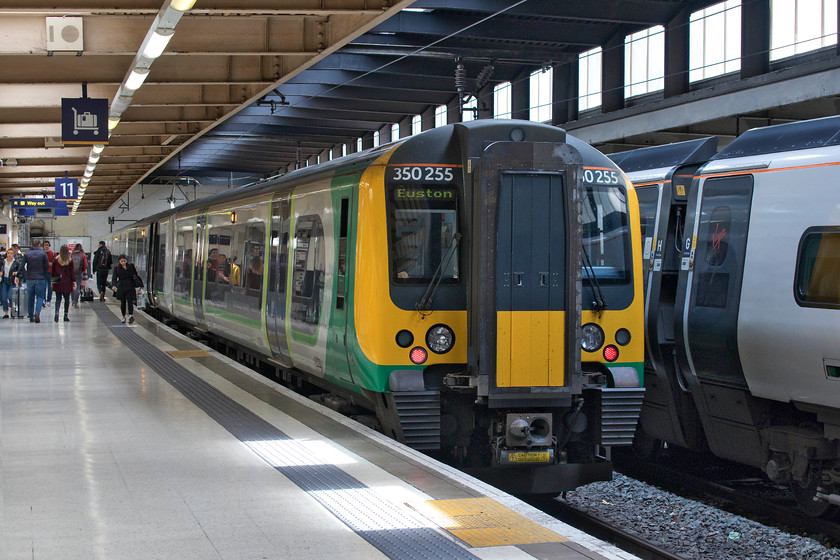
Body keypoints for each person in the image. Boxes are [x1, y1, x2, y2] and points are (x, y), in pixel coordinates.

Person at [19, 239, 50, 323]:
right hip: (40, 278)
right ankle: (37, 312)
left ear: (31, 244)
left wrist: (18, 275)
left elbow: (22, 266)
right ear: (39, 245)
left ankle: (31, 315)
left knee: (30, 297)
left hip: (30, 278)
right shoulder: (43, 254)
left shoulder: (27, 254)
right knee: (40, 296)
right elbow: (47, 265)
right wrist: (43, 272)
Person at [108, 254, 142, 324]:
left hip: (130, 286)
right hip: (121, 287)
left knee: (130, 301)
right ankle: (123, 316)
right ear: (119, 261)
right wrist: (113, 286)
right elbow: (114, 278)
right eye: (121, 261)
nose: (123, 262)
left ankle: (130, 316)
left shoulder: (131, 266)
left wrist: (141, 283)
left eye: (124, 261)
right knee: (123, 302)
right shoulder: (117, 268)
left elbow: (135, 275)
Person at [50, 245, 76, 322]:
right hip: (67, 282)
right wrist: (74, 282)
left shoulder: (55, 260)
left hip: (58, 282)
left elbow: (53, 272)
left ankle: (57, 312)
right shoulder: (70, 261)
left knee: (58, 299)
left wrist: (52, 281)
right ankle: (65, 315)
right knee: (67, 299)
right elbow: (72, 272)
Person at [0, 247, 21, 318]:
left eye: (11, 253)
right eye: (8, 253)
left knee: (10, 296)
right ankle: (6, 312)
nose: (9, 255)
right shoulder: (3, 261)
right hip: (4, 281)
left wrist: (16, 273)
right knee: (3, 297)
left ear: (13, 254)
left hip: (12, 281)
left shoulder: (16, 262)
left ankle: (13, 310)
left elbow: (21, 271)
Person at [42, 240, 55, 308]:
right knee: (43, 286)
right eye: (45, 245)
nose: (46, 246)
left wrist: (49, 264)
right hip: (43, 273)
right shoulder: (41, 254)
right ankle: (43, 299)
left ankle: (49, 300)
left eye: (47, 245)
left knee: (50, 287)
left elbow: (55, 264)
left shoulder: (53, 254)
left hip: (51, 273)